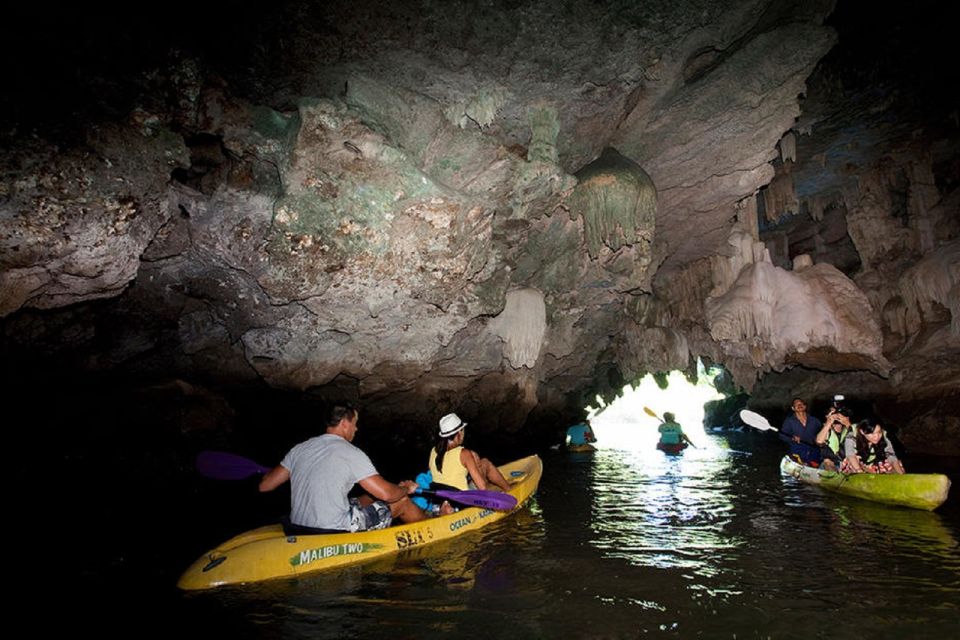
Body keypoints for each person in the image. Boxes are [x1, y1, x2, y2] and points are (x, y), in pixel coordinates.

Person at [259, 403, 429, 533]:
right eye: (355, 423)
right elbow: (387, 494)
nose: (356, 428)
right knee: (402, 501)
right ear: (345, 423)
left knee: (369, 496)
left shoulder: (300, 448)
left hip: (298, 525)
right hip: (333, 529)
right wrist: (404, 489)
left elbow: (265, 485)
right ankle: (433, 527)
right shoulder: (351, 452)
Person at [429, 413, 512, 492]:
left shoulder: (434, 451)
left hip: (443, 497)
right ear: (459, 433)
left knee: (479, 466)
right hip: (463, 499)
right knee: (485, 463)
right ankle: (510, 490)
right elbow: (482, 487)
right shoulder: (464, 454)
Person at [781, 397, 822, 466]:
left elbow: (822, 432)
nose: (799, 405)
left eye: (801, 404)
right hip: (797, 452)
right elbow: (782, 435)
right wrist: (792, 438)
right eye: (796, 405)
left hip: (814, 452)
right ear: (793, 408)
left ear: (805, 406)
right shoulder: (789, 421)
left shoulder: (814, 420)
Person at [815, 402, 853, 471]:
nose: (837, 416)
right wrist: (829, 422)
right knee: (827, 462)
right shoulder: (826, 429)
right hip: (830, 464)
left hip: (847, 463)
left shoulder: (850, 428)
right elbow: (819, 441)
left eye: (838, 413)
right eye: (833, 413)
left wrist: (848, 424)